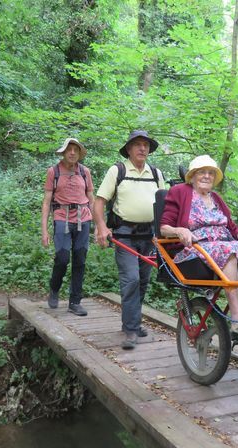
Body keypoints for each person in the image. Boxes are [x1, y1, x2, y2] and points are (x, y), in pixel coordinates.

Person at [160, 155, 238, 334]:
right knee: (228, 249)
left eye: (211, 173)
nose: (206, 176)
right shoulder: (180, 191)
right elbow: (164, 227)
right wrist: (180, 231)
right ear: (193, 175)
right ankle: (237, 318)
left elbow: (233, 229)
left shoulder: (216, 198)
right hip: (194, 249)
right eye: (202, 172)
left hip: (223, 244)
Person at [94, 130, 165, 350]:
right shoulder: (118, 170)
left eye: (146, 145)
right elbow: (99, 202)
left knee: (142, 282)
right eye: (137, 145)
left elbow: (165, 206)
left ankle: (132, 322)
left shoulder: (156, 173)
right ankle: (131, 329)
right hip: (124, 236)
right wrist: (101, 228)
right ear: (129, 149)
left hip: (149, 238)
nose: (142, 148)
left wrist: (163, 234)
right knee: (131, 280)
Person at [42, 138, 95, 316]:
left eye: (76, 150)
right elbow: (47, 201)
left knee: (80, 260)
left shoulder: (85, 172)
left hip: (83, 218)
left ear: (80, 153)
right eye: (69, 149)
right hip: (61, 218)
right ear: (63, 152)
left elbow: (91, 197)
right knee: (62, 258)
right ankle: (54, 288)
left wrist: (98, 223)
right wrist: (44, 230)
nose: (72, 152)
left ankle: (75, 302)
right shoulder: (54, 171)